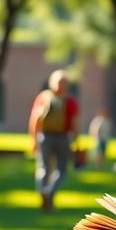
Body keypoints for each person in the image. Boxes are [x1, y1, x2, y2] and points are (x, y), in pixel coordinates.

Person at [28, 70, 79, 212]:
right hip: (62, 137)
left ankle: (44, 192)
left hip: (44, 136)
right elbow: (75, 124)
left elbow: (35, 120)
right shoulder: (70, 101)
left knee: (43, 167)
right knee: (61, 170)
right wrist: (76, 141)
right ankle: (49, 192)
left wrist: (33, 139)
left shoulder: (43, 97)